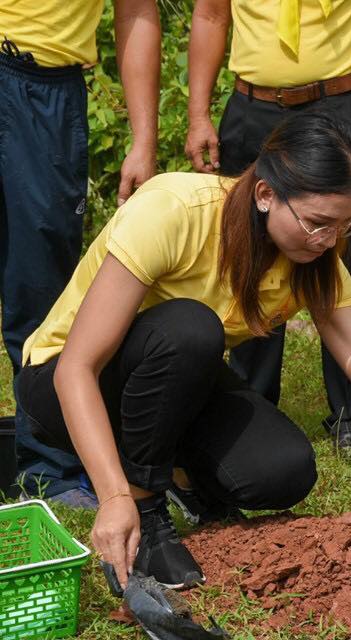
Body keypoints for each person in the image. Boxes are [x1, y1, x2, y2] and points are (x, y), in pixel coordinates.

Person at [15, 113, 351, 591]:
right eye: (318, 222)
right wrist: (115, 497)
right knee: (191, 329)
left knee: (283, 470)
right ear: (266, 193)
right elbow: (77, 369)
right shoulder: (173, 211)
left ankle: (182, 481)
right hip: (64, 381)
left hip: (168, 385)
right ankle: (148, 506)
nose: (329, 240)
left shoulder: (316, 265)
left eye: (347, 224)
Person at [184, 0, 351, 457]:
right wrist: (198, 114)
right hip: (254, 107)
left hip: (337, 103)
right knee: (249, 250)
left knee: (341, 252)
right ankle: (251, 404)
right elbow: (210, 16)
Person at [1, 0, 161, 506]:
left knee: (41, 287)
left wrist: (144, 140)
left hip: (43, 89)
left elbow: (136, 11)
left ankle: (51, 468)